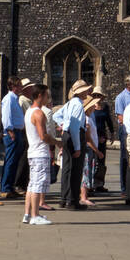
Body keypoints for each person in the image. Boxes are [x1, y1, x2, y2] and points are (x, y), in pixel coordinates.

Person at [54, 80, 91, 210]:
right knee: (75, 169)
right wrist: (78, 147)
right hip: (74, 135)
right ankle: (72, 201)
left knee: (67, 168)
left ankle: (64, 199)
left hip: (66, 135)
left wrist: (63, 124)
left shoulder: (70, 103)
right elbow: (75, 128)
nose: (88, 92)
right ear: (81, 92)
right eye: (86, 90)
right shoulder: (78, 106)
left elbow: (56, 115)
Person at [22, 83, 54, 226]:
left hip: (33, 152)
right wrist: (57, 142)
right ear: (40, 96)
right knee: (37, 185)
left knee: (32, 184)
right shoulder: (38, 113)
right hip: (40, 152)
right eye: (47, 95)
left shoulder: (29, 111)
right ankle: (35, 215)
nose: (48, 98)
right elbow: (43, 136)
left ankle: (28, 214)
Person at [0, 76, 26, 198]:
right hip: (13, 132)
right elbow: (6, 116)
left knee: (15, 161)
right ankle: (5, 188)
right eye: (19, 85)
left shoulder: (15, 99)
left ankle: (10, 186)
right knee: (10, 161)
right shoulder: (9, 99)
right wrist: (10, 131)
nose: (21, 87)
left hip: (18, 131)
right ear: (13, 86)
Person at [114, 75, 130, 196]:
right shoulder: (121, 97)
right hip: (125, 129)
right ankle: (124, 187)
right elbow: (120, 117)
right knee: (124, 157)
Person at [79, 91, 104, 207]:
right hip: (89, 150)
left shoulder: (89, 118)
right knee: (86, 172)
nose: (95, 107)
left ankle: (85, 196)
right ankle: (83, 197)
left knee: (88, 171)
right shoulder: (87, 120)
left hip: (91, 149)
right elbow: (88, 139)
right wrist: (98, 151)